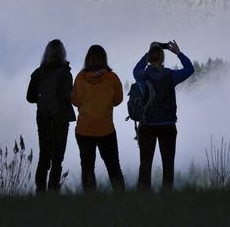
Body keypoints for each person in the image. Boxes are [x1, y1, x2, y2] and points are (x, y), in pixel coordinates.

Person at [133, 39, 194, 191]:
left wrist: (149, 52)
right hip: (167, 125)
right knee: (168, 163)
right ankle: (167, 196)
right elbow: (190, 69)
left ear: (149, 58)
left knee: (145, 164)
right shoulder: (170, 75)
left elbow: (136, 69)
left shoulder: (142, 75)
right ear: (162, 58)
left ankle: (143, 196)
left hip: (147, 126)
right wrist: (178, 53)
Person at [71, 44, 126, 192]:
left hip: (83, 130)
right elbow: (118, 100)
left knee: (87, 168)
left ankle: (90, 202)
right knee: (113, 166)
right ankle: (122, 199)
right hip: (106, 129)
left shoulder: (80, 78)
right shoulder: (112, 78)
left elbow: (74, 100)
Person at [26, 38, 75, 193]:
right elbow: (69, 97)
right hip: (60, 119)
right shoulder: (65, 73)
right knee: (57, 160)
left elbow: (30, 97)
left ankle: (40, 193)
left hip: (43, 118)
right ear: (62, 54)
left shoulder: (38, 73)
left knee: (43, 157)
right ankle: (53, 193)